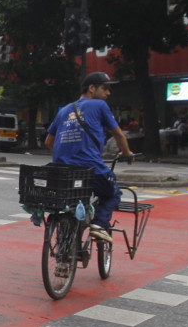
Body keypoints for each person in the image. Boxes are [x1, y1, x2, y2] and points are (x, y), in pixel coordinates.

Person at [44, 72, 134, 244]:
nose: (108, 93)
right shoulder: (99, 105)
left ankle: (64, 249)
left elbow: (49, 142)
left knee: (70, 202)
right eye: (105, 88)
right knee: (112, 193)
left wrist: (68, 151)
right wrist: (127, 153)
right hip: (90, 168)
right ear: (92, 88)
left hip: (62, 170)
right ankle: (99, 225)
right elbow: (119, 135)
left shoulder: (64, 110)